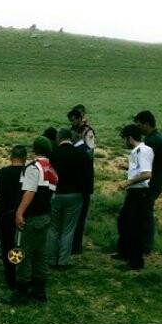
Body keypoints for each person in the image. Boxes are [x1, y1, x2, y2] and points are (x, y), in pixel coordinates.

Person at [5, 137, 56, 304]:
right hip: (45, 216)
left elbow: (29, 191)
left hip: (32, 218)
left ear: (34, 150)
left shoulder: (33, 168)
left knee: (22, 253)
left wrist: (19, 212)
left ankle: (21, 293)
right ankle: (39, 290)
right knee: (40, 253)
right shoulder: (51, 169)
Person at [46, 128, 90, 268]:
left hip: (55, 195)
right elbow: (86, 177)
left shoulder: (53, 154)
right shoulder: (81, 154)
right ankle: (63, 261)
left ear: (59, 138)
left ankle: (52, 260)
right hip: (75, 195)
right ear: (70, 138)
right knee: (68, 229)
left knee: (53, 228)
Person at [113, 124, 154, 270]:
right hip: (135, 192)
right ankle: (124, 252)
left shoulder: (141, 151)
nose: (124, 142)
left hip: (138, 193)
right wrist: (127, 168)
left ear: (129, 138)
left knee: (134, 228)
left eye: (125, 138)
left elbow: (146, 174)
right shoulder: (138, 151)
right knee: (123, 222)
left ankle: (135, 262)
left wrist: (127, 182)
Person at [134, 110, 162, 254]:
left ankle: (145, 246)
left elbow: (146, 165)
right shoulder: (160, 138)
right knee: (146, 213)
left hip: (149, 183)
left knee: (145, 215)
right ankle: (145, 245)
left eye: (139, 125)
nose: (139, 128)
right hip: (157, 182)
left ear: (147, 124)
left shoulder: (151, 141)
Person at [0, 145, 27, 290]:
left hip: (5, 214)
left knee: (7, 246)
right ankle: (21, 275)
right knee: (21, 246)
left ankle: (10, 277)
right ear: (25, 159)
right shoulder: (28, 172)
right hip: (23, 215)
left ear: (11, 157)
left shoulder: (2, 172)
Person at [71, 108, 95, 254]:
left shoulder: (88, 132)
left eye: (74, 119)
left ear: (80, 118)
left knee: (79, 215)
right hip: (77, 174)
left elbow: (89, 153)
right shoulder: (76, 130)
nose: (72, 122)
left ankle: (76, 245)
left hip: (83, 174)